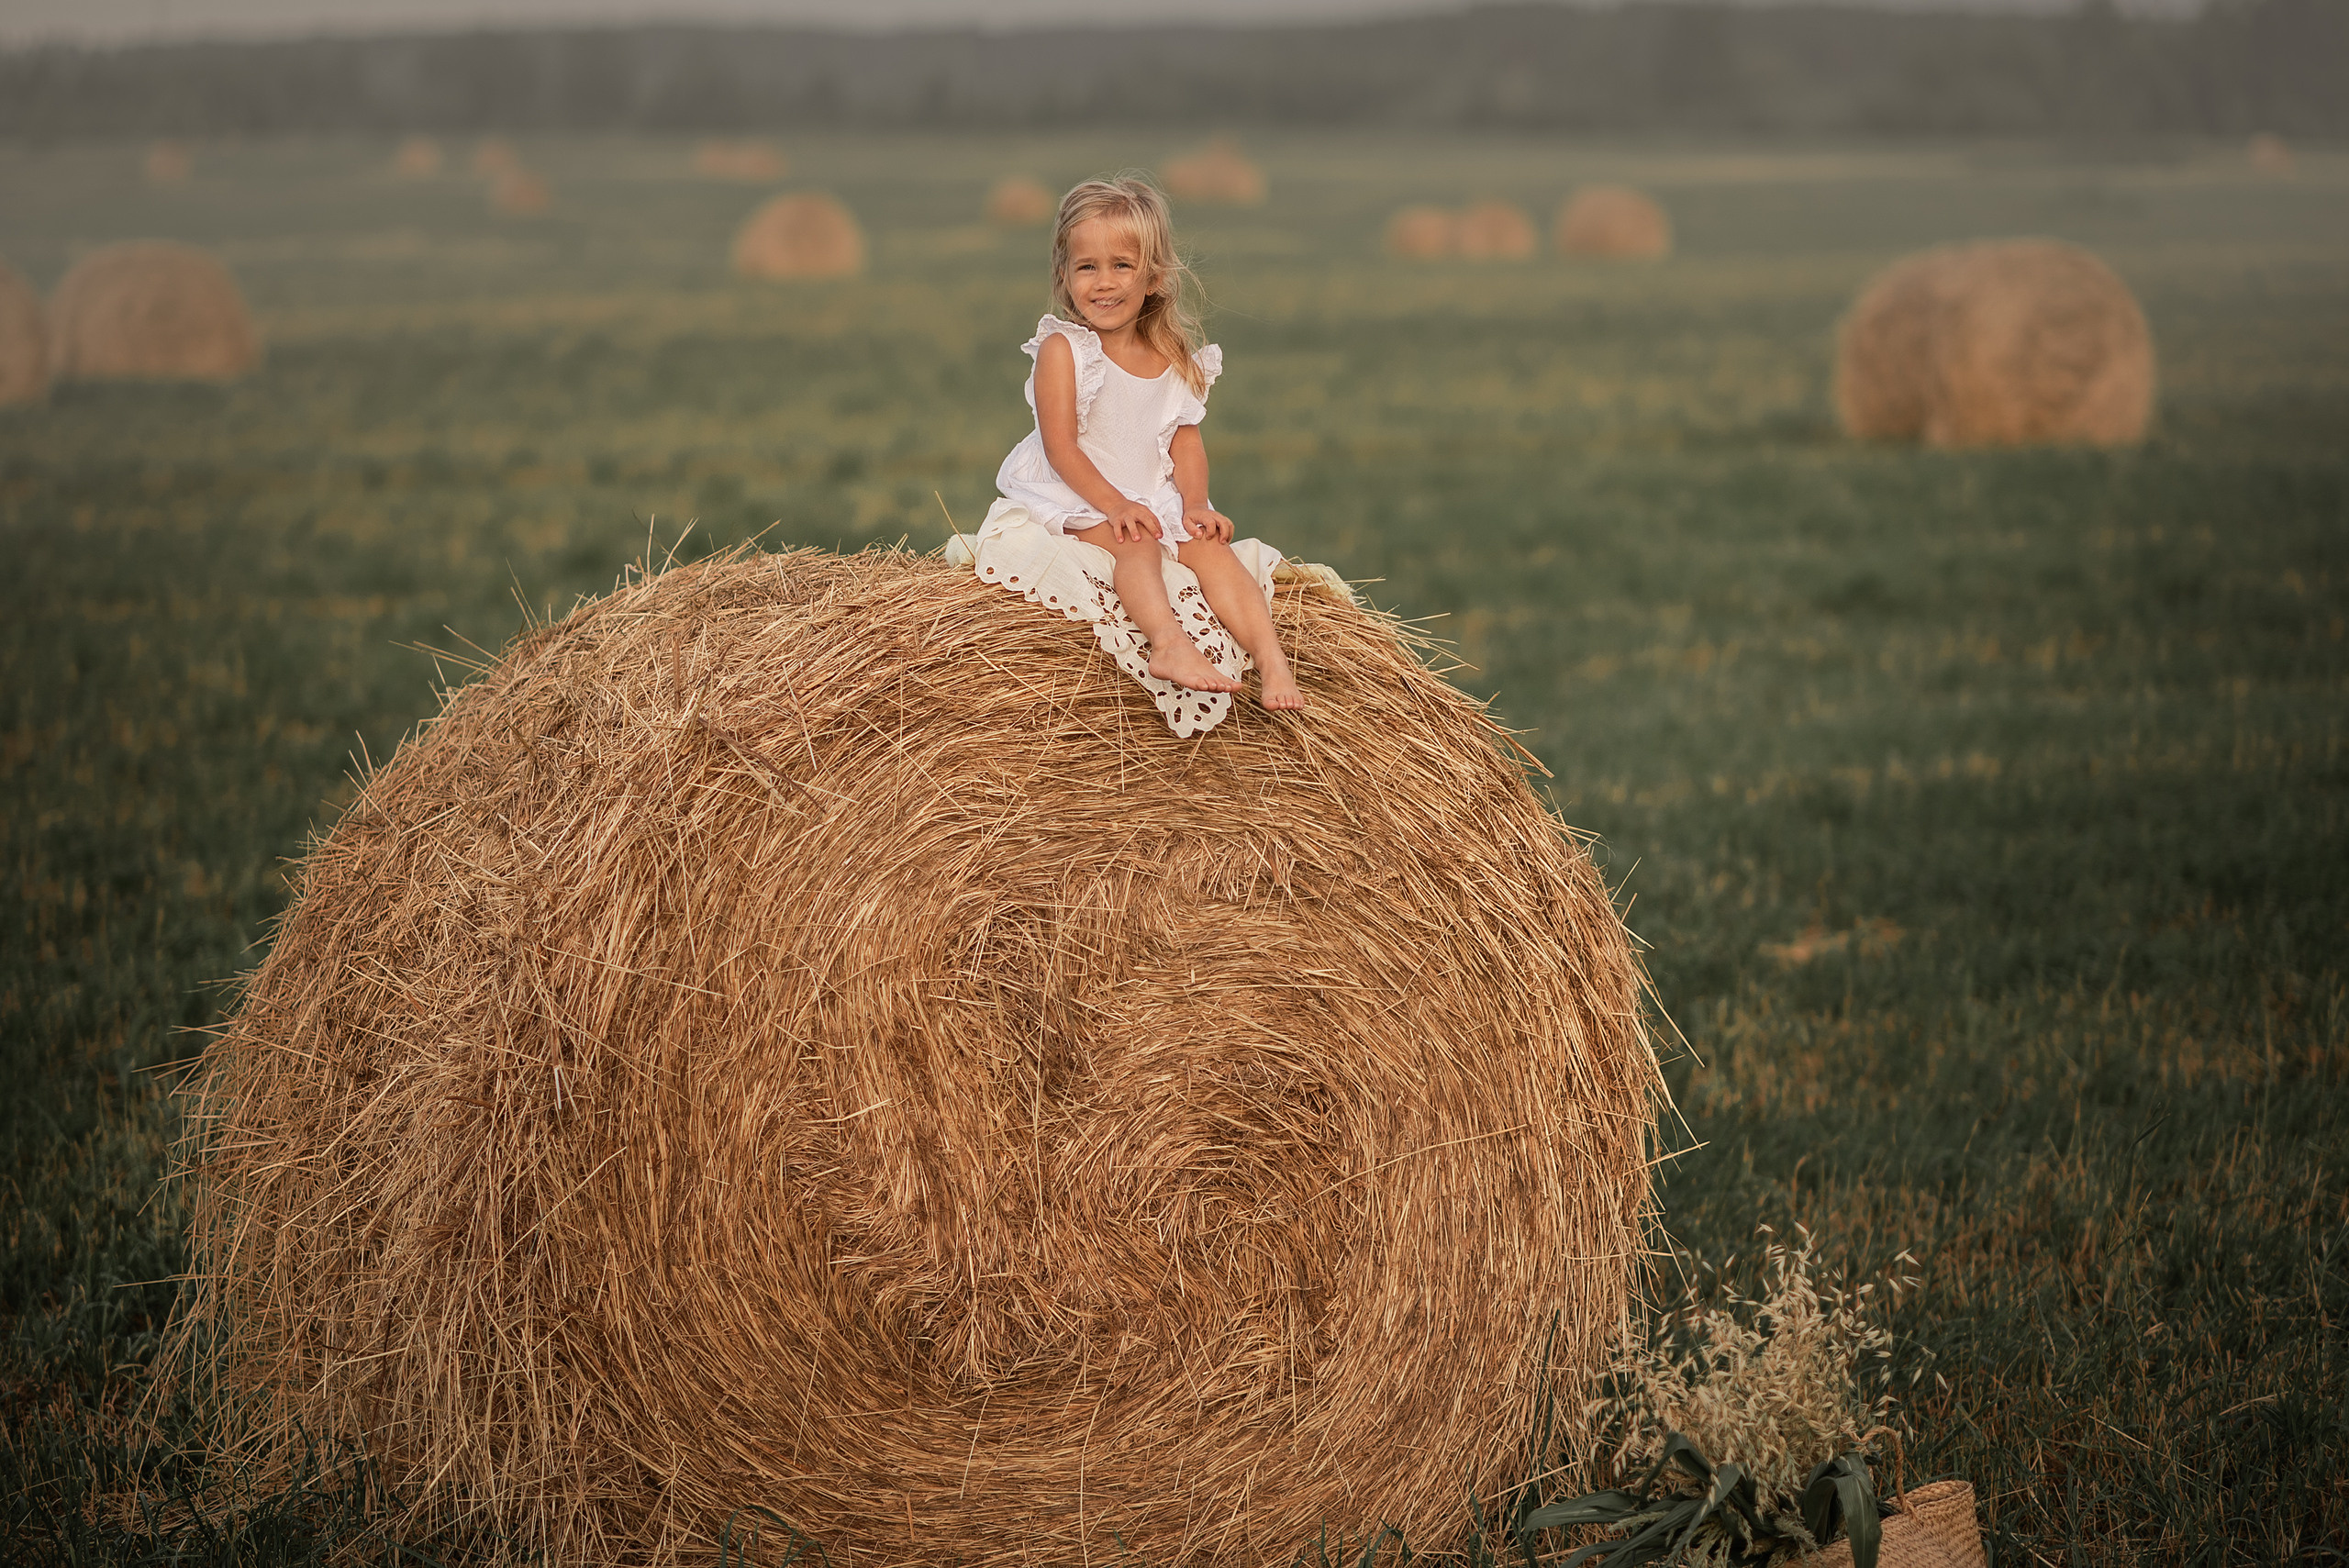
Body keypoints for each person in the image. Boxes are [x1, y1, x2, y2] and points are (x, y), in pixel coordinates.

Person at [993, 176, 1305, 712]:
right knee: (1136, 544)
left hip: (1147, 488)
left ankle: (1272, 660)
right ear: (1064, 276)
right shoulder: (1064, 350)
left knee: (1212, 550)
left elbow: (1186, 444)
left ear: (1154, 278)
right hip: (1077, 490)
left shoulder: (1173, 355)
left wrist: (1197, 504)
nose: (1103, 282)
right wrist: (1115, 506)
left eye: (1122, 266)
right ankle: (1168, 644)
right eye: (1086, 267)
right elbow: (1061, 446)